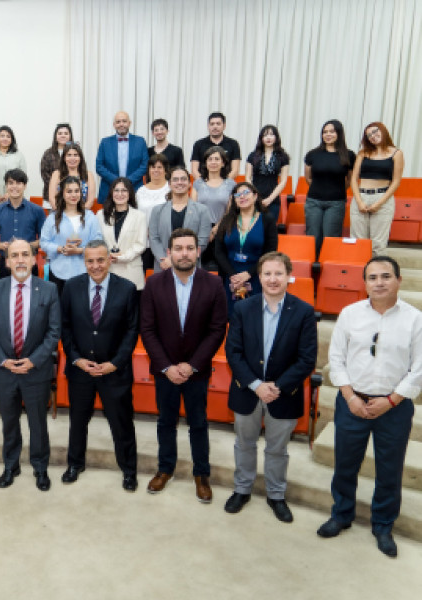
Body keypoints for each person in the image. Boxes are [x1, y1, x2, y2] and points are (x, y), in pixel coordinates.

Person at [318, 256, 421, 557]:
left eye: (386, 276)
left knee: (390, 469)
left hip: (395, 407)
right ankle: (341, 514)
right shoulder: (349, 314)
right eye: (372, 277)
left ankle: (383, 525)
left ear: (399, 280)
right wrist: (350, 397)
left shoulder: (415, 319)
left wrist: (391, 401)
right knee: (346, 464)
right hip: (352, 402)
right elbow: (335, 359)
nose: (379, 283)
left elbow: (419, 368)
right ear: (364, 283)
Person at [224, 251, 317, 523]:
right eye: (267, 273)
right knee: (244, 443)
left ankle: (276, 495)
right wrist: (256, 385)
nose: (273, 279)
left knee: (277, 449)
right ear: (259, 277)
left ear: (289, 276)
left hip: (283, 394)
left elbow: (306, 359)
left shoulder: (303, 311)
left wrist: (275, 386)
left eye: (279, 273)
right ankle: (242, 489)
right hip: (247, 391)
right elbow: (234, 353)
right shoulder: (242, 308)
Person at [140, 228, 227, 503]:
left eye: (189, 248)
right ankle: (165, 469)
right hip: (165, 371)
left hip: (196, 371)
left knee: (198, 423)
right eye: (178, 248)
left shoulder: (213, 284)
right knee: (166, 422)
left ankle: (202, 475)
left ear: (198, 251)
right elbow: (147, 328)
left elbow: (216, 330)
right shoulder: (154, 283)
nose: (184, 253)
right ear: (169, 253)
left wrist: (192, 366)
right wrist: (166, 366)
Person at [60, 240, 140, 490]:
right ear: (84, 262)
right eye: (90, 261)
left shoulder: (127, 289)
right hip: (80, 371)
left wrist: (115, 363)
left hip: (114, 372)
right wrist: (76, 358)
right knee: (77, 421)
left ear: (109, 260)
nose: (95, 266)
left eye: (100, 260)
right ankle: (75, 464)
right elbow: (65, 328)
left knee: (122, 422)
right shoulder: (71, 287)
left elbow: (132, 331)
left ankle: (129, 469)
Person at [0, 238, 60, 491]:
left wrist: (33, 361)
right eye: (14, 255)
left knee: (38, 422)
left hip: (35, 370)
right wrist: (4, 361)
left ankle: (40, 467)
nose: (20, 260)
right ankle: (10, 465)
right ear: (6, 261)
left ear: (34, 259)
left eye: (25, 254)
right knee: (9, 422)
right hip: (5, 371)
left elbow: (53, 332)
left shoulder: (48, 290)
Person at [214, 182, 279, 312]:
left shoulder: (267, 220)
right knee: (230, 316)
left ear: (255, 196)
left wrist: (248, 274)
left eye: (246, 193)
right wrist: (233, 275)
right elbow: (218, 251)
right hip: (230, 277)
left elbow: (270, 252)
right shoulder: (227, 220)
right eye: (237, 195)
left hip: (256, 276)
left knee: (253, 316)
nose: (241, 197)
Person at [39, 176, 102, 297]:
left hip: (84, 272)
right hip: (58, 272)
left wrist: (80, 250)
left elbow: (98, 242)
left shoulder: (90, 217)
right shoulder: (53, 217)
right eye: (69, 191)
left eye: (76, 191)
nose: (73, 195)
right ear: (62, 193)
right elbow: (44, 242)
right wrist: (61, 249)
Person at [350, 122, 405, 255]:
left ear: (383, 130)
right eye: (369, 135)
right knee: (358, 241)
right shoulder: (363, 153)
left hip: (382, 198)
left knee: (378, 244)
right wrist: (359, 201)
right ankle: (358, 274)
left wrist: (379, 203)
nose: (373, 136)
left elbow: (396, 181)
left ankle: (375, 274)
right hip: (361, 196)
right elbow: (353, 179)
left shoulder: (396, 153)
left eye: (375, 131)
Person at [304, 120, 356, 257]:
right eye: (325, 132)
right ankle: (313, 266)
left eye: (332, 131)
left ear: (339, 133)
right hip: (313, 201)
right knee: (313, 236)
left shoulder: (349, 155)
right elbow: (308, 178)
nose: (328, 135)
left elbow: (350, 180)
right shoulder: (313, 154)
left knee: (331, 237)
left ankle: (328, 269)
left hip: (336, 202)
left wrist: (336, 189)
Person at [148, 166, 212, 271]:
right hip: (164, 265)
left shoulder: (202, 210)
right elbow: (154, 238)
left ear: (190, 183)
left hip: (190, 265)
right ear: (169, 184)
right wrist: (166, 260)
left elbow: (202, 240)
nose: (179, 182)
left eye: (183, 179)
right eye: (175, 179)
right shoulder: (157, 210)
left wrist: (179, 258)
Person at [0, 169, 46, 279]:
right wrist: (1, 246)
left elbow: (45, 238)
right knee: (4, 295)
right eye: (11, 183)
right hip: (5, 262)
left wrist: (26, 246)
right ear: (6, 186)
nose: (14, 187)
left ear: (25, 186)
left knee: (31, 296)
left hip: (29, 262)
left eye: (19, 183)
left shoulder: (37, 210)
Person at [97, 177, 147, 290]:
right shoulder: (101, 215)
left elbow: (140, 244)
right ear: (111, 193)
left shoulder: (140, 216)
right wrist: (107, 255)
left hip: (131, 270)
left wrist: (122, 257)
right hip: (108, 270)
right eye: (116, 190)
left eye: (124, 190)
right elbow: (98, 240)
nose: (120, 194)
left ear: (130, 193)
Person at [193, 146, 236, 267]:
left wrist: (216, 228)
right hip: (201, 228)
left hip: (223, 228)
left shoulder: (231, 184)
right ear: (205, 163)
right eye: (210, 159)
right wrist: (206, 230)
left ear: (223, 163)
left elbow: (230, 210)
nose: (213, 162)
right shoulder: (198, 183)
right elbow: (193, 208)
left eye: (217, 159)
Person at [95, 111, 149, 205]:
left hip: (135, 188)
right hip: (109, 189)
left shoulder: (140, 141)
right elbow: (99, 166)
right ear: (114, 124)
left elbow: (145, 165)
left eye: (124, 121)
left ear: (129, 123)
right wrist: (117, 182)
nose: (121, 124)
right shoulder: (105, 142)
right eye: (118, 122)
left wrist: (128, 181)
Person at [245, 125, 291, 224]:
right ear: (261, 138)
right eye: (265, 135)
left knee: (269, 231)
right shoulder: (252, 155)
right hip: (254, 198)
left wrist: (270, 199)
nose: (268, 138)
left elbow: (283, 181)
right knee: (252, 228)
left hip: (273, 199)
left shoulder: (283, 157)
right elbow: (248, 178)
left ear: (276, 137)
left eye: (271, 134)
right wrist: (254, 196)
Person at [136, 153, 171, 271]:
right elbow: (136, 215)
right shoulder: (141, 191)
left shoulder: (170, 189)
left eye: (159, 167)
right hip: (143, 240)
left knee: (162, 276)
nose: (156, 170)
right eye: (153, 167)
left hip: (163, 241)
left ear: (166, 170)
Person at [46, 143, 97, 210]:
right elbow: (52, 199)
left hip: (82, 214)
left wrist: (78, 214)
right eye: (69, 155)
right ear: (64, 158)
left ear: (80, 158)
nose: (72, 158)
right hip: (60, 213)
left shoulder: (88, 175)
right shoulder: (56, 174)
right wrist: (63, 214)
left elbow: (90, 201)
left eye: (75, 155)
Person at [190, 112, 241, 179]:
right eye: (212, 124)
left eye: (218, 124)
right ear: (208, 126)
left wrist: (224, 184)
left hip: (226, 184)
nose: (215, 127)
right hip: (203, 184)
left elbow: (235, 170)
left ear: (224, 126)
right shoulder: (198, 144)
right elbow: (194, 170)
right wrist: (204, 184)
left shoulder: (233, 144)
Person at [39, 123, 73, 200]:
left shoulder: (76, 152)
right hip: (51, 195)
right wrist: (56, 187)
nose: (63, 135)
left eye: (66, 133)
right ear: (55, 136)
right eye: (60, 133)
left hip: (72, 194)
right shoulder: (48, 153)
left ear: (70, 136)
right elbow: (44, 174)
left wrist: (69, 186)